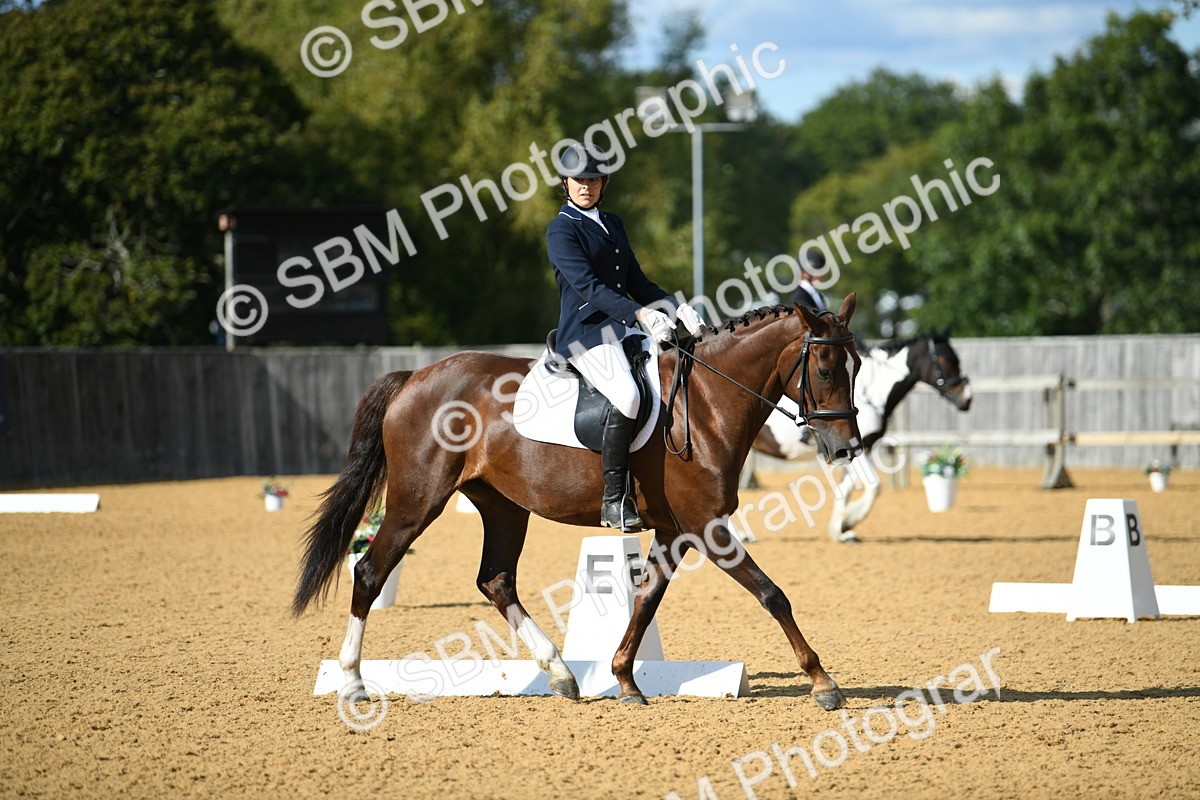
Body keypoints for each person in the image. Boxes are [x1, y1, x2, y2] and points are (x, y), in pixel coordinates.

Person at [547, 142, 705, 532]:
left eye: (594, 179)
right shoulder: (561, 229)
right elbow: (587, 286)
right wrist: (639, 313)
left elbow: (635, 280)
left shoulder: (613, 222)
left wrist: (673, 307)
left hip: (623, 328)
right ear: (565, 183)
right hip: (585, 333)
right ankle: (614, 500)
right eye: (579, 179)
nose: (587, 185)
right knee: (628, 395)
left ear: (604, 183)